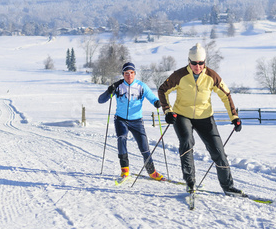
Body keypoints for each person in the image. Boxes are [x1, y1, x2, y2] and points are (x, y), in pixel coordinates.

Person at [158, 43, 245, 196]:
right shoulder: (179, 75)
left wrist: (234, 117)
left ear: (205, 62)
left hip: (205, 117)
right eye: (194, 63)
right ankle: (190, 182)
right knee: (187, 142)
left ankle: (228, 187)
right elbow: (162, 90)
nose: (197, 67)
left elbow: (226, 95)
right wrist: (168, 111)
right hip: (182, 115)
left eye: (201, 63)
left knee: (218, 151)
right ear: (189, 62)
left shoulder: (212, 76)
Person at [98, 62, 164, 181]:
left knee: (144, 147)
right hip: (121, 120)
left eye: (132, 73)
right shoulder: (118, 86)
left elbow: (152, 97)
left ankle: (152, 172)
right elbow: (101, 100)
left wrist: (156, 103)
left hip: (137, 121)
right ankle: (125, 170)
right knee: (122, 138)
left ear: (135, 74)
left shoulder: (141, 86)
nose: (129, 75)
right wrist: (109, 90)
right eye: (126, 73)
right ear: (123, 74)